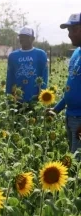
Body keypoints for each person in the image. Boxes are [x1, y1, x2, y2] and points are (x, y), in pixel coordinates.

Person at [48, 13, 81, 158]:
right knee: (74, 157)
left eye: (74, 30)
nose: (69, 34)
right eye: (68, 30)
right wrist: (57, 109)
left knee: (78, 161)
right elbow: (71, 88)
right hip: (70, 117)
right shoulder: (76, 54)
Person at [6, 26, 49, 114]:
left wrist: (42, 96)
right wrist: (8, 96)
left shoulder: (40, 54)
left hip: (34, 98)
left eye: (26, 36)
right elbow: (9, 78)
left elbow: (44, 77)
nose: (22, 39)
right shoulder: (13, 56)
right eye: (21, 36)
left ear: (32, 38)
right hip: (16, 99)